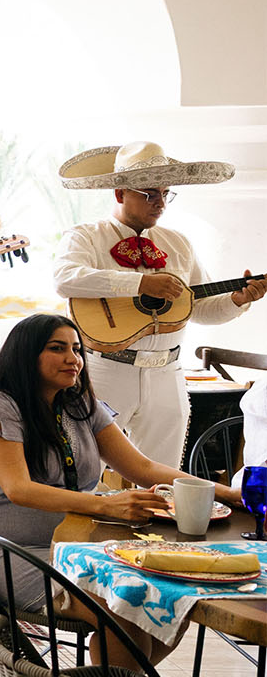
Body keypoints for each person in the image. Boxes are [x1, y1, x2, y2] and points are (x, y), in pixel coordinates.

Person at [0, 312, 241, 667]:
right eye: (58, 349)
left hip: (74, 543)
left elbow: (142, 467)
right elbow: (19, 490)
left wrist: (226, 493)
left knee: (170, 603)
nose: (73, 359)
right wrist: (105, 505)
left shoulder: (79, 403)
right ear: (25, 355)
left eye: (77, 349)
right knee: (124, 610)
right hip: (2, 549)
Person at [54, 141, 263, 467]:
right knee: (84, 469)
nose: (161, 203)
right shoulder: (86, 236)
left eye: (166, 193)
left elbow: (199, 308)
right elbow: (65, 279)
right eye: (150, 194)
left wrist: (237, 300)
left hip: (168, 373)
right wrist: (141, 283)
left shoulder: (178, 243)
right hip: (104, 370)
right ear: (120, 193)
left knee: (164, 476)